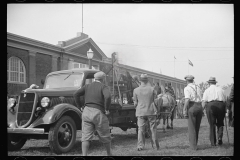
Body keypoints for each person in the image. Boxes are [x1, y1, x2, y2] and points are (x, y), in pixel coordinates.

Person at [73, 71, 112, 156]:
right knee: (105, 135)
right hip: (98, 113)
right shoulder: (103, 86)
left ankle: (84, 155)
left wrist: (80, 106)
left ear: (95, 78)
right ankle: (109, 154)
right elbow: (108, 96)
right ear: (103, 79)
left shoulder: (87, 86)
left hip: (86, 112)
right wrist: (107, 109)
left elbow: (76, 94)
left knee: (85, 137)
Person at [133, 74, 159, 151]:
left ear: (140, 81)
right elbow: (156, 101)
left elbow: (135, 103)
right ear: (147, 80)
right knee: (153, 129)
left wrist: (136, 107)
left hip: (140, 112)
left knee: (141, 130)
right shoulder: (152, 89)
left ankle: (140, 146)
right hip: (151, 111)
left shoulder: (136, 90)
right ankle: (155, 146)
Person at [202, 77, 226, 146]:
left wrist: (202, 109)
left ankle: (213, 142)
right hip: (221, 105)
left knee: (212, 124)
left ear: (209, 83)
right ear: (215, 83)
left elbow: (204, 101)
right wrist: (225, 109)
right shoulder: (221, 89)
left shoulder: (207, 90)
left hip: (211, 105)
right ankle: (220, 137)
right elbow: (225, 101)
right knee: (220, 123)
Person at [183, 75, 203, 150]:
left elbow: (187, 99)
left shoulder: (187, 88)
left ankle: (193, 146)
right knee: (197, 127)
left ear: (186, 81)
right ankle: (195, 144)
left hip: (192, 106)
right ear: (192, 80)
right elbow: (202, 98)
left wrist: (184, 108)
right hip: (199, 106)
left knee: (191, 128)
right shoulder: (198, 87)